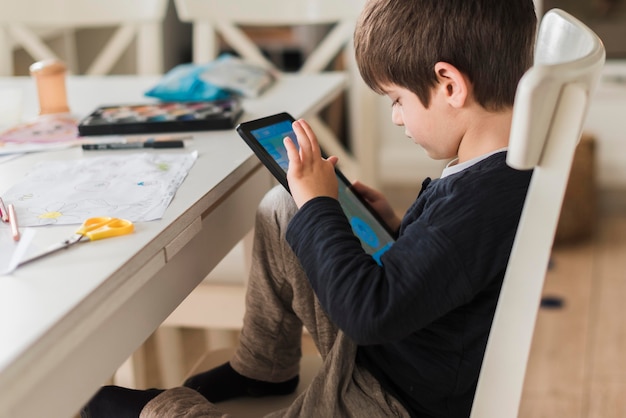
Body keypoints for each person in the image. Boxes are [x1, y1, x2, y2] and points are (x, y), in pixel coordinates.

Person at [81, 0, 537, 416]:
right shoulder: (496, 168)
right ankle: (263, 368)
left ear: (449, 84)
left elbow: (368, 313)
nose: (397, 116)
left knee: (306, 207)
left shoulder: (478, 202)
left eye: (397, 99)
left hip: (387, 398)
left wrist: (322, 204)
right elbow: (450, 270)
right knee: (286, 205)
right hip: (401, 355)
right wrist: (395, 230)